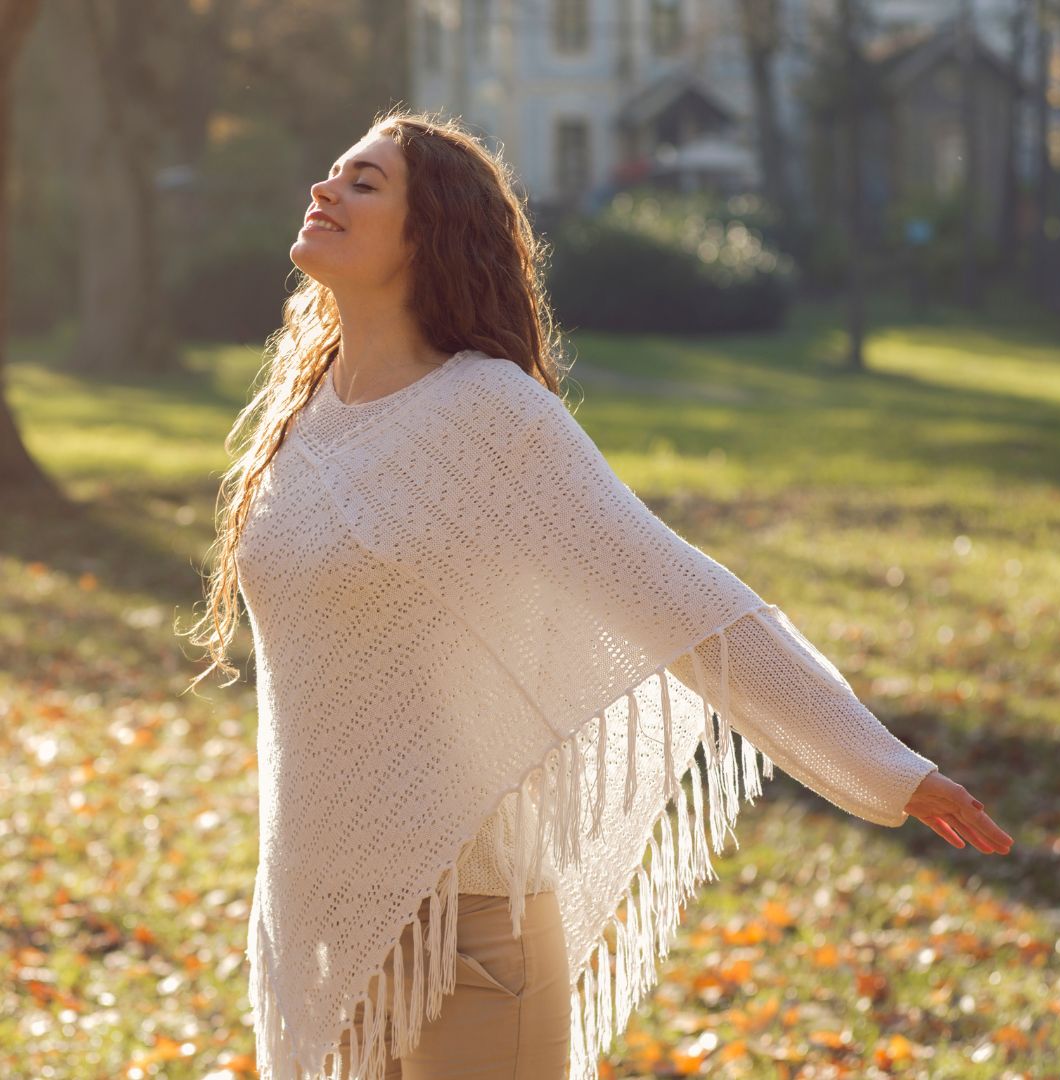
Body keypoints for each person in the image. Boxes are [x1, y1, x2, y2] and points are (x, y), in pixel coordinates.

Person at [181, 108, 1013, 1080]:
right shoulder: (303, 411)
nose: (326, 190)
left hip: (467, 936)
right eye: (332, 173)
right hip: (317, 910)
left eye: (365, 182)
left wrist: (882, 765)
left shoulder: (489, 414)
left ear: (432, 231)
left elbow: (683, 599)